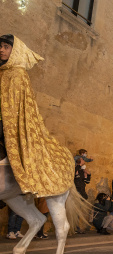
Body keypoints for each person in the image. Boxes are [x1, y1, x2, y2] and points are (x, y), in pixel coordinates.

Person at [0, 34, 74, 198]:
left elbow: (15, 104)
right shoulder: (3, 72)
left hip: (9, 120)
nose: (1, 50)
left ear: (15, 50)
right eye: (1, 47)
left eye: (6, 47)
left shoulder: (18, 74)